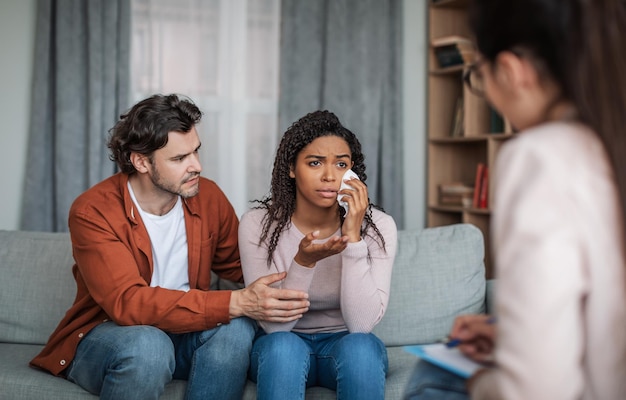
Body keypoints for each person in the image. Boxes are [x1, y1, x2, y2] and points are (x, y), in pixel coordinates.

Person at [405, 0, 626, 399]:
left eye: (478, 74)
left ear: (511, 71)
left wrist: (479, 382)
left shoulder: (543, 156)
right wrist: (511, 334)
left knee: (431, 378)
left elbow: (539, 389)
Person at [29, 94, 311, 400]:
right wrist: (235, 302)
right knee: (149, 345)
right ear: (141, 161)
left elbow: (244, 266)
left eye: (196, 152)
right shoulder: (93, 211)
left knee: (236, 328)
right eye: (179, 159)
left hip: (184, 333)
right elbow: (127, 303)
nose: (197, 166)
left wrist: (313, 253)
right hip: (111, 337)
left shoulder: (208, 197)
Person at [238, 110, 398, 399]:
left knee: (362, 347)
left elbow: (360, 326)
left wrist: (352, 237)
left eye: (341, 164)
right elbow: (276, 326)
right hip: (284, 341)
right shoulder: (258, 225)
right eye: (314, 163)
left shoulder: (379, 227)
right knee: (282, 348)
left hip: (346, 343)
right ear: (291, 168)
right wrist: (304, 262)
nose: (329, 176)